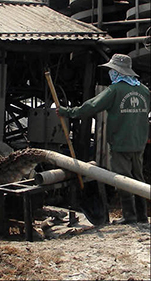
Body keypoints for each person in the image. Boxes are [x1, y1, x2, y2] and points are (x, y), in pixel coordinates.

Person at [56, 54, 150, 224]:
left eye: (111, 70)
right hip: (139, 142)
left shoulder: (115, 90)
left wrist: (68, 112)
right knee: (138, 178)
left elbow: (91, 106)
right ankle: (142, 215)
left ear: (117, 71)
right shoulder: (144, 91)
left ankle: (129, 215)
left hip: (120, 143)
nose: (110, 73)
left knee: (123, 179)